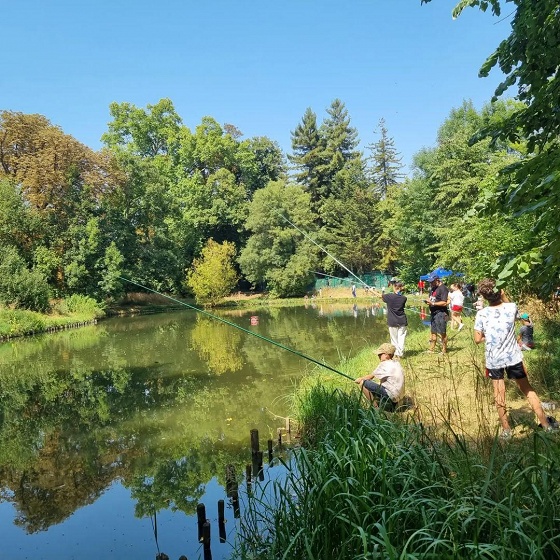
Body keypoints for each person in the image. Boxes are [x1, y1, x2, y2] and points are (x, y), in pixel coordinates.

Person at [473, 278, 555, 438]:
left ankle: (506, 430)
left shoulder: (481, 314)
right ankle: (546, 425)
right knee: (528, 389)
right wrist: (503, 295)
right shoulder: (511, 307)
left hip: (494, 360)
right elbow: (515, 311)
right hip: (513, 358)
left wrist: (488, 337)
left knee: (499, 394)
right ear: (500, 291)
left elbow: (477, 339)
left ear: (483, 295)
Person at [354, 343, 404, 411]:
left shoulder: (384, 364)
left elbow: (370, 377)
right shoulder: (396, 363)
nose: (378, 356)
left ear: (386, 355)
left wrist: (360, 379)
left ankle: (375, 409)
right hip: (398, 398)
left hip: (391, 397)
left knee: (363, 383)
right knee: (374, 383)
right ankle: (389, 405)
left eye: (380, 354)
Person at [424, 275, 449, 354]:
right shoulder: (432, 288)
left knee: (442, 333)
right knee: (433, 332)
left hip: (441, 313)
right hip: (433, 313)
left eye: (432, 281)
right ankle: (431, 349)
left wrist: (433, 303)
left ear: (437, 280)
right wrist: (428, 301)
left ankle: (444, 350)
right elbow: (432, 299)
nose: (430, 283)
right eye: (430, 282)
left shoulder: (443, 288)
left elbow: (444, 302)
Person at [382, 281, 407, 359]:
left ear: (394, 287)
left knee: (394, 339)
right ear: (401, 288)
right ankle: (400, 354)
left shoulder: (389, 296)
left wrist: (371, 290)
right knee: (401, 338)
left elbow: (381, 297)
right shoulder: (404, 298)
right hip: (402, 321)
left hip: (392, 321)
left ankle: (395, 355)